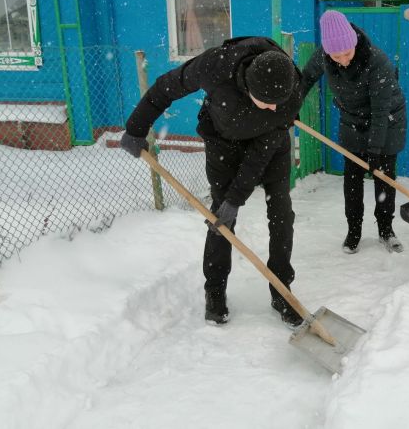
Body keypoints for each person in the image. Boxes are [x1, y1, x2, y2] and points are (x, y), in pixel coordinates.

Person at [119, 36, 304, 328]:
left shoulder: (291, 91)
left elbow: (259, 155)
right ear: (249, 89)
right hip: (223, 143)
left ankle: (282, 290)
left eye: (277, 104)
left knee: (281, 212)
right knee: (220, 217)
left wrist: (237, 197)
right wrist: (136, 127)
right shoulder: (216, 66)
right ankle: (215, 291)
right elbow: (165, 88)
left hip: (269, 147)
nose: (273, 109)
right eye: (266, 102)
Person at [302, 10, 407, 254]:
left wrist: (375, 149)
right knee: (352, 181)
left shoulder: (376, 61)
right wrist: (290, 107)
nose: (343, 60)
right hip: (352, 122)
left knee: (383, 179)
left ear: (354, 44)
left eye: (347, 53)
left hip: (387, 122)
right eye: (335, 56)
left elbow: (381, 111)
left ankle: (386, 230)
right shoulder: (325, 56)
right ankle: (354, 231)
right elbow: (305, 79)